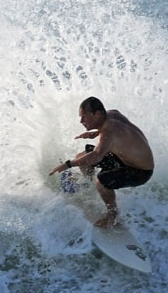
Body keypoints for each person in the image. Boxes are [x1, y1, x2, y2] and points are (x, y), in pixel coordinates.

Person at [48, 97, 153, 227]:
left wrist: (67, 164)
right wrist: (96, 133)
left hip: (140, 171)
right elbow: (116, 124)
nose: (81, 121)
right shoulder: (111, 115)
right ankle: (87, 184)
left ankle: (112, 215)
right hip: (123, 159)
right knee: (82, 157)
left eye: (84, 117)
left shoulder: (109, 131)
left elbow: (96, 156)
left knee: (101, 181)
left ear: (97, 114)